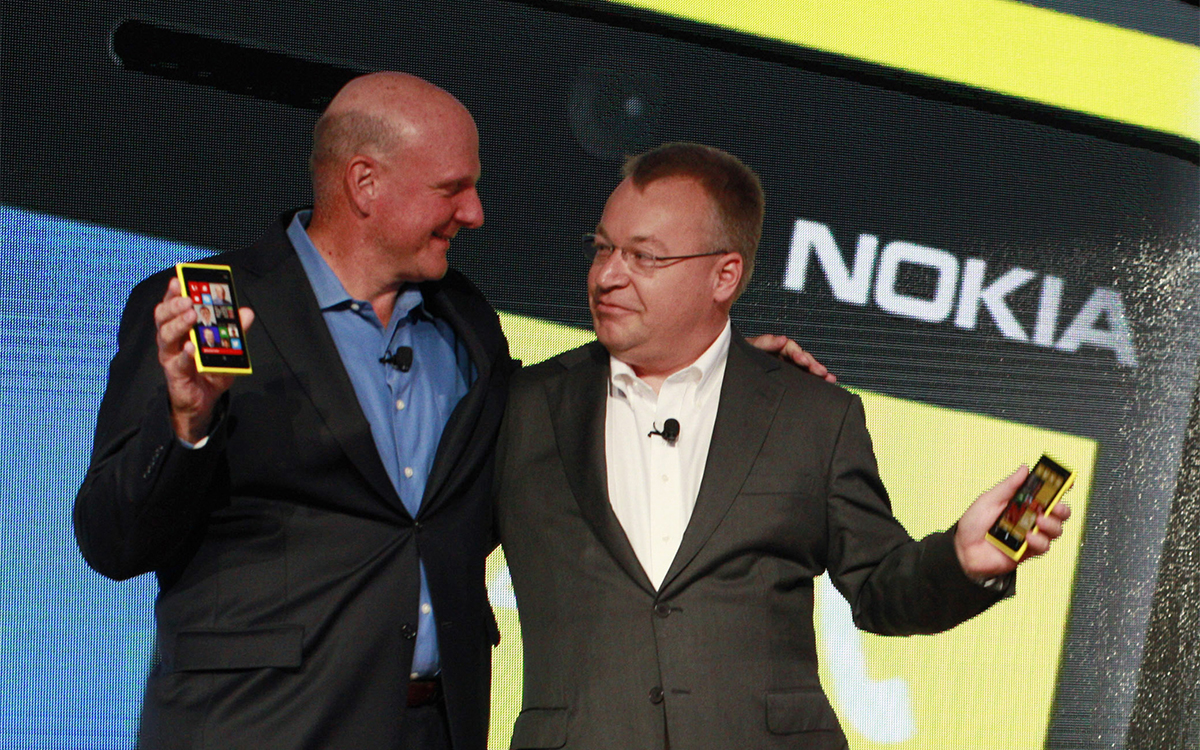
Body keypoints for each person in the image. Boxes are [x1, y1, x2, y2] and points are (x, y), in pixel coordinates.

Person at [493, 142, 1071, 750]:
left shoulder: (811, 414)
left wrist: (961, 560)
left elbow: (879, 588)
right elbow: (431, 549)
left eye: (644, 257)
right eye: (604, 248)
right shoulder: (525, 407)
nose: (608, 275)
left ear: (725, 275)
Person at [74, 72, 513, 750]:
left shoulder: (466, 319)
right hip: (260, 724)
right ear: (364, 183)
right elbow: (113, 542)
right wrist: (186, 424)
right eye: (451, 189)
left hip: (432, 728)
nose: (475, 212)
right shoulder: (209, 306)